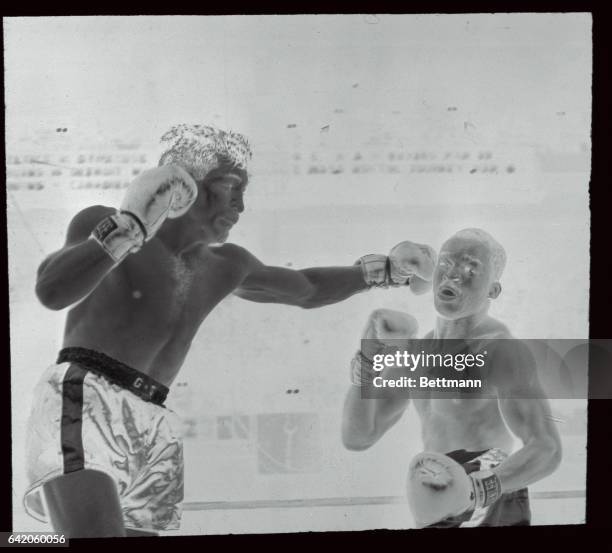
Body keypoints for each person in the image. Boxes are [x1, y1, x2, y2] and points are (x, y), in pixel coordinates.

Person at [24, 124, 437, 537]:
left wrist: (384, 270)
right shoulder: (102, 223)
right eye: (230, 186)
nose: (240, 204)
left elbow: (307, 289)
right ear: (184, 184)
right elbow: (52, 291)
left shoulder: (225, 266)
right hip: (88, 395)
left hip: (154, 419)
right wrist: (129, 226)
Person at [342, 228, 562, 527]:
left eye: (471, 267)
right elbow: (358, 437)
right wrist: (367, 359)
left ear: (493, 290)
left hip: (492, 488)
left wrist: (479, 489)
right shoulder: (415, 355)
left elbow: (546, 447)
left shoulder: (500, 351)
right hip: (434, 489)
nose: (453, 275)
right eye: (445, 264)